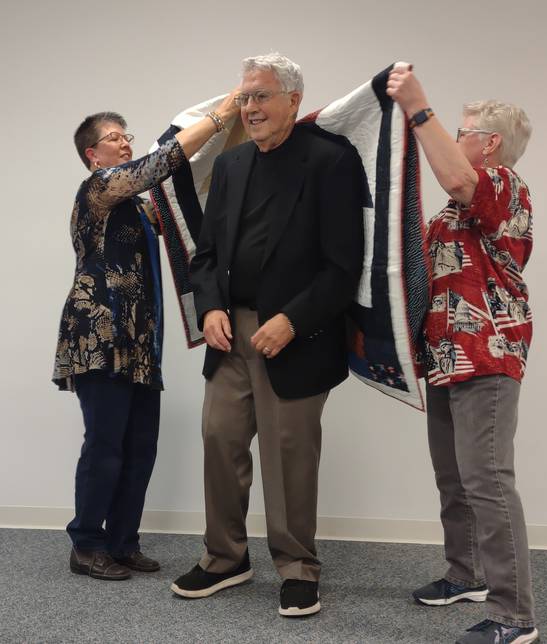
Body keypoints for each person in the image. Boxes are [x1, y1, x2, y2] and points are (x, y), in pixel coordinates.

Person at [170, 53, 365, 617]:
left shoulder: (331, 161)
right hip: (231, 333)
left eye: (260, 96)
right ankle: (225, 557)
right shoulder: (230, 166)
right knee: (219, 439)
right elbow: (205, 256)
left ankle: (299, 568)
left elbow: (342, 265)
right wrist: (208, 309)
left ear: (293, 101)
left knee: (289, 456)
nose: (249, 108)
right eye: (246, 97)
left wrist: (293, 320)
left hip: (296, 336)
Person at [52, 92, 239, 581]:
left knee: (140, 447)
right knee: (106, 445)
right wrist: (220, 117)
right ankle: (87, 543)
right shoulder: (98, 188)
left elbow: (182, 195)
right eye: (115, 138)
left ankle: (122, 541)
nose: (125, 142)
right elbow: (163, 163)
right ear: (93, 154)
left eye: (125, 135)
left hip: (138, 342)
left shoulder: (136, 206)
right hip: (99, 337)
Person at [387, 66, 538, 644]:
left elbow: (455, 179)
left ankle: (514, 616)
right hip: (447, 359)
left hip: (489, 355)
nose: (455, 136)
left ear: (489, 142)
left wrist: (418, 107)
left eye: (463, 129)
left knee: (488, 481)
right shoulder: (453, 215)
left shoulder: (502, 183)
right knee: (454, 477)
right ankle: (466, 574)